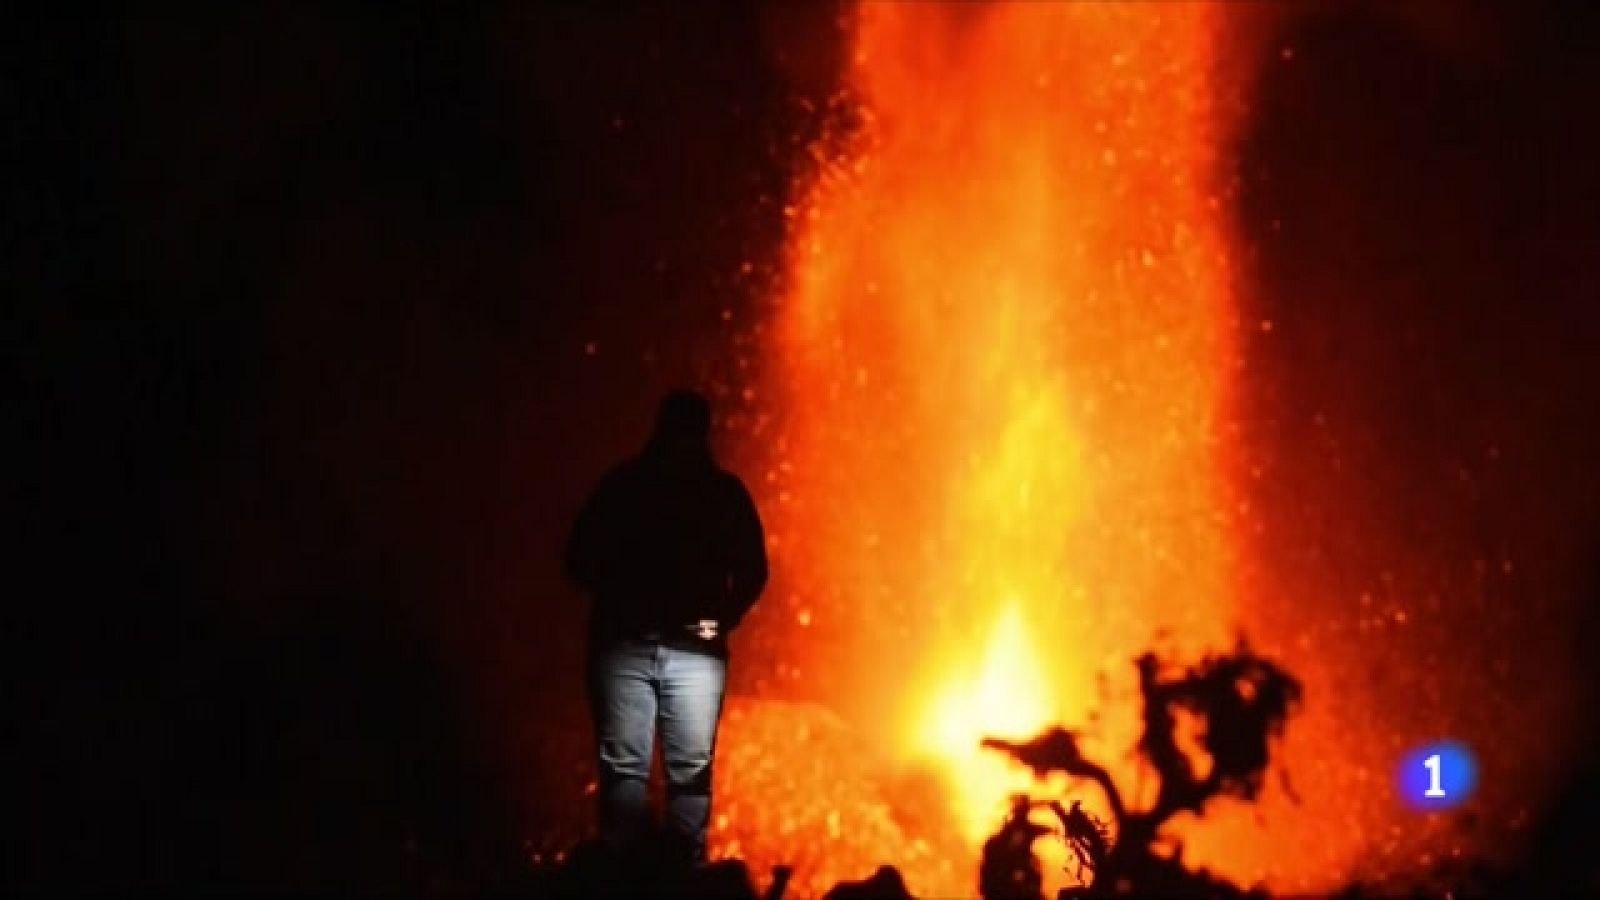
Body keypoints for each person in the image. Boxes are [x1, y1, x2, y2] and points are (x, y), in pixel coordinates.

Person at [565, 389, 769, 867]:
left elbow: (578, 558)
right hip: (686, 649)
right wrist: (720, 616)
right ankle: (679, 878)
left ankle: (627, 877)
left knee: (628, 774)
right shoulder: (721, 495)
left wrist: (623, 601)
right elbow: (754, 571)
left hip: (630, 644)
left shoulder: (625, 487)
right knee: (682, 778)